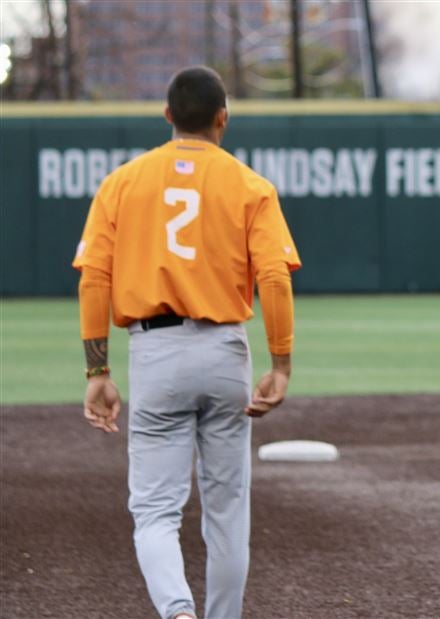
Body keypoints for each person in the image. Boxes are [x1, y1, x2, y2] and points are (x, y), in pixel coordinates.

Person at [73, 66, 301, 619]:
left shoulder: (123, 182)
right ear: (223, 118)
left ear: (168, 115)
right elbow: (273, 278)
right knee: (227, 512)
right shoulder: (251, 185)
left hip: (155, 353)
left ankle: (177, 610)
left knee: (154, 511)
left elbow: (93, 280)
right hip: (225, 350)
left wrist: (97, 371)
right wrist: (281, 363)